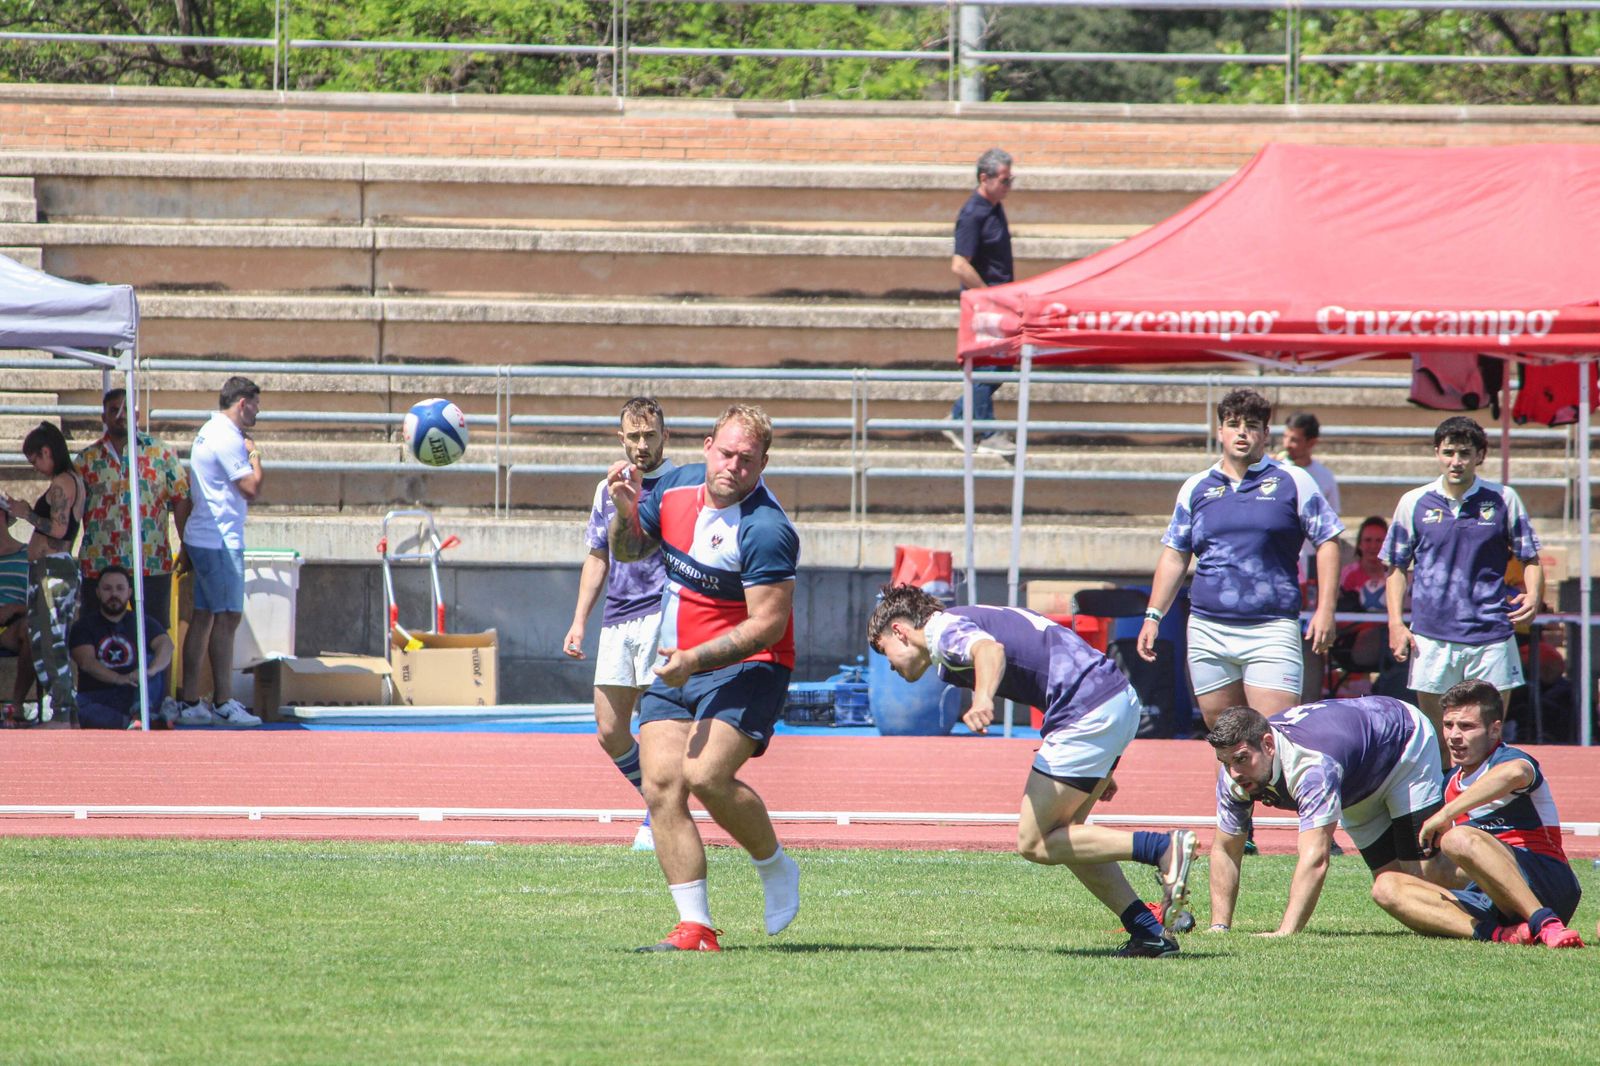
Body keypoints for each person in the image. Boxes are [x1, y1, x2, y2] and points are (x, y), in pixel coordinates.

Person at [868, 585, 1198, 958]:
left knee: (1035, 842)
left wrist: (981, 700)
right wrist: (1097, 758)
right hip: (1108, 700)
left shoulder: (942, 632)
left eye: (884, 652)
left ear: (899, 630)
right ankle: (1148, 932)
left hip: (1085, 708)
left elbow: (989, 651)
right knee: (1067, 839)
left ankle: (1163, 849)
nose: (890, 666)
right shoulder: (958, 628)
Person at [607, 404, 801, 953]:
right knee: (662, 785)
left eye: (747, 459)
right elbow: (630, 548)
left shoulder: (767, 529)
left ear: (763, 463)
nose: (733, 467)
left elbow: (768, 625)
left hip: (750, 666)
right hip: (679, 661)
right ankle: (695, 929)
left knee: (707, 774)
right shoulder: (672, 489)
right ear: (707, 443)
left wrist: (696, 658)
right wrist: (626, 513)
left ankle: (775, 867)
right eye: (725, 452)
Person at [1137, 388, 1344, 729]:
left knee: (1275, 732)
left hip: (1271, 627)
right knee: (1225, 735)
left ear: (1265, 433)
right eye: (1233, 424)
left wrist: (1325, 609)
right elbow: (1176, 554)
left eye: (1252, 425)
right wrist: (1153, 615)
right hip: (1208, 628)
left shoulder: (1293, 480)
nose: (1242, 432)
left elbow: (1328, 542)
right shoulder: (1196, 487)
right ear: (1220, 432)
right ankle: (1230, 787)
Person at [1369, 680, 1583, 947]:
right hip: (1491, 897)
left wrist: (1446, 814)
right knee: (1386, 886)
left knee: (1456, 839)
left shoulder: (1507, 759)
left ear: (1494, 730)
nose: (1454, 736)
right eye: (1448, 725)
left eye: (1467, 726)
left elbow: (1517, 773)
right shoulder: (1450, 782)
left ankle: (1546, 923)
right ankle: (1497, 934)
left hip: (1548, 884)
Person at [1206, 696, 1444, 936]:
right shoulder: (1234, 775)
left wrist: (1285, 932)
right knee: (1393, 883)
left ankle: (1474, 856)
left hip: (1403, 741)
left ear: (1268, 744)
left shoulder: (1311, 767)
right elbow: (1226, 849)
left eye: (1241, 759)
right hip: (1356, 777)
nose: (1234, 772)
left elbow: (1316, 858)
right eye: (1225, 762)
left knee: (1424, 875)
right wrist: (1219, 927)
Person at [1380, 415, 1542, 763]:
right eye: (1449, 452)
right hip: (1432, 637)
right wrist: (1396, 623)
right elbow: (1395, 567)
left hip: (1491, 636)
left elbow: (1530, 557)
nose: (1456, 461)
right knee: (1437, 742)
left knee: (1488, 739)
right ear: (1437, 453)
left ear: (1480, 455)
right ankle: (1440, 812)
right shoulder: (1414, 502)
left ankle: (1486, 813)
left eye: (1465, 453)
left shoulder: (1503, 499)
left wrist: (1534, 594)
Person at [562, 396, 676, 852]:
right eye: (634, 436)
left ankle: (656, 819)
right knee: (610, 731)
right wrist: (578, 621)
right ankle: (660, 800)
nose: (642, 445)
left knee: (656, 727)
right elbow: (597, 556)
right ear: (621, 439)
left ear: (666, 436)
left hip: (662, 613)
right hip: (616, 618)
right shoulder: (605, 488)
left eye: (650, 436)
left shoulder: (679, 485)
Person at [174, 376, 264, 728]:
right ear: (242, 403)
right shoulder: (228, 437)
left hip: (206, 537)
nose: (258, 411)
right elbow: (250, 488)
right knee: (227, 618)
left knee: (205, 617)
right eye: (255, 404)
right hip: (219, 540)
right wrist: (255, 453)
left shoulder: (210, 429)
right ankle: (223, 701)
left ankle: (192, 701)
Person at [76, 388, 193, 632]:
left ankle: (155, 673)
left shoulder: (162, 454)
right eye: (114, 410)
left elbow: (181, 497)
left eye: (126, 409)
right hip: (99, 562)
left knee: (156, 633)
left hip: (150, 561)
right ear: (103, 417)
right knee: (94, 633)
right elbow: (73, 508)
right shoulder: (86, 460)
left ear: (137, 415)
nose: (120, 415)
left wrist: (186, 544)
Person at [0, 421, 88, 725]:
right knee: (46, 639)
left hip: (53, 570)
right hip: (51, 570)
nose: (35, 467)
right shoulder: (68, 481)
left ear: (47, 451)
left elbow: (60, 530)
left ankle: (61, 708)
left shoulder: (64, 483)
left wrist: (27, 514)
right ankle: (63, 708)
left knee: (49, 640)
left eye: (35, 459)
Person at [944, 147, 1016, 457]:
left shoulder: (994, 207)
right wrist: (987, 295)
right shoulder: (973, 213)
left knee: (1002, 363)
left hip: (1000, 301)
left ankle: (959, 417)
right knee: (991, 365)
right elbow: (959, 264)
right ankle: (984, 432)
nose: (1008, 186)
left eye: (1011, 180)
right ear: (984, 178)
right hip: (986, 303)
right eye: (1004, 180)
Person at [68, 564, 173, 730]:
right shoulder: (84, 625)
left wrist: (149, 671)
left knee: (152, 659)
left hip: (135, 694)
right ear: (98, 593)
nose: (114, 594)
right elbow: (86, 662)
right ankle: (133, 723)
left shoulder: (141, 620)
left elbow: (166, 645)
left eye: (120, 588)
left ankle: (141, 714)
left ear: (129, 593)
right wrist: (119, 679)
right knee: (74, 707)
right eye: (107, 589)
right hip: (99, 695)